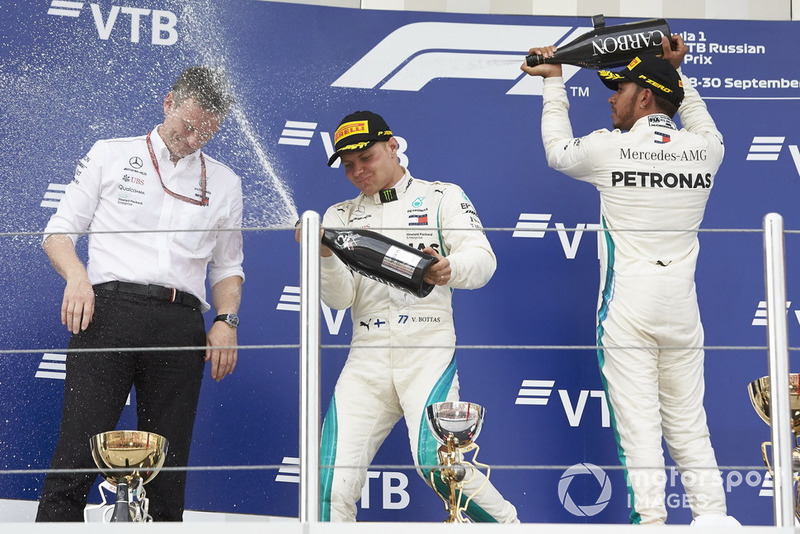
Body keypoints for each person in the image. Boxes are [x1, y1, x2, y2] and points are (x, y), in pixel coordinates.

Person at [520, 36, 739, 526]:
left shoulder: (608, 148)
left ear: (644, 98)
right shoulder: (707, 150)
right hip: (682, 309)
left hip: (629, 308)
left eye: (619, 88)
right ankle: (715, 520)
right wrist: (674, 70)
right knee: (689, 423)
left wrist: (553, 82)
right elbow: (696, 114)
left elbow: (557, 151)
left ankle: (652, 523)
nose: (610, 97)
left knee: (639, 425)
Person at [36, 66, 244, 522]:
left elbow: (228, 267)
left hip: (181, 322)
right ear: (168, 103)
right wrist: (76, 276)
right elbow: (58, 233)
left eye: (205, 134)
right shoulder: (110, 155)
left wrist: (226, 321)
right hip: (107, 311)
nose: (192, 141)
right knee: (77, 453)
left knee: (167, 470)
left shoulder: (226, 182)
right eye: (188, 127)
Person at [308, 110, 518, 522]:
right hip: (366, 355)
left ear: (392, 146)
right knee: (328, 485)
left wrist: (449, 268)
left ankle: (511, 526)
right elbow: (338, 299)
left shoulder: (442, 196)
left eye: (365, 158)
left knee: (437, 464)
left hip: (426, 350)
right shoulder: (338, 216)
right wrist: (325, 255)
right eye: (348, 165)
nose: (357, 172)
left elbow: (483, 260)